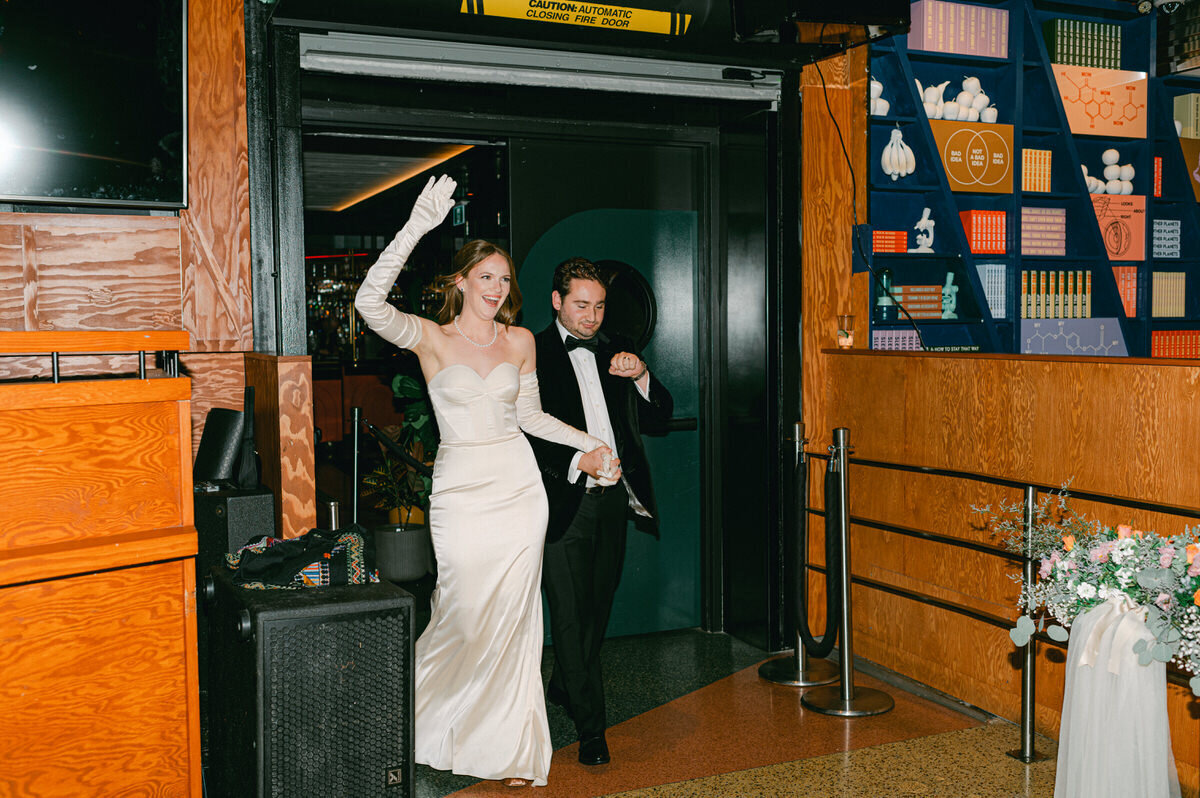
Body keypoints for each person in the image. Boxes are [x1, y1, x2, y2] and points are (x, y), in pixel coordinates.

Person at [354, 175, 618, 788]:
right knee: (462, 613)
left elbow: (530, 417)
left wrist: (588, 444)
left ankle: (506, 746)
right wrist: (417, 226)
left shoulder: (519, 340)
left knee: (515, 620)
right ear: (461, 282)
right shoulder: (431, 338)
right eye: (486, 278)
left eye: (504, 279)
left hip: (519, 490)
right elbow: (368, 304)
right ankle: (426, 717)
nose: (497, 289)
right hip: (460, 493)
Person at [528, 257, 674, 767]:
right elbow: (524, 431)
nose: (591, 317)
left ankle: (566, 684)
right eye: (581, 305)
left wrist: (643, 374)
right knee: (569, 617)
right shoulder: (532, 352)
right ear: (557, 301)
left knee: (596, 609)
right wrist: (576, 462)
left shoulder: (617, 350)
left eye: (599, 306)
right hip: (562, 501)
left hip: (612, 501)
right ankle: (592, 728)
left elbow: (661, 415)